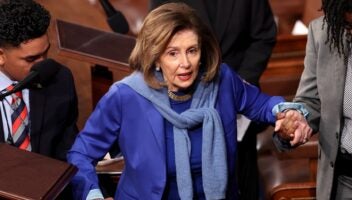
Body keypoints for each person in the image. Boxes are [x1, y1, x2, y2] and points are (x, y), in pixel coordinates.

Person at [67, 2, 310, 200]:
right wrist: (94, 196)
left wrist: (285, 112)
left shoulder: (222, 79)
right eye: (173, 53)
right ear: (155, 56)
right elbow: (81, 154)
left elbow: (261, 105)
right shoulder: (126, 95)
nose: (185, 63)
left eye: (192, 50)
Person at [149, 1, 277, 199]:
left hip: (239, 100)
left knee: (244, 181)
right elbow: (157, 39)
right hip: (182, 103)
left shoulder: (230, 83)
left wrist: (238, 84)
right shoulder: (128, 95)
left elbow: (264, 34)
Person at [275, 0, 352, 199]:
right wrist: (299, 118)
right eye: (349, 26)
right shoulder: (323, 33)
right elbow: (311, 100)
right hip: (349, 182)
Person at [0, 0, 78, 198]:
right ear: (1, 55)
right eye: (32, 59)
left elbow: (67, 149)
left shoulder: (59, 79)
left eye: (46, 53)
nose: (42, 65)